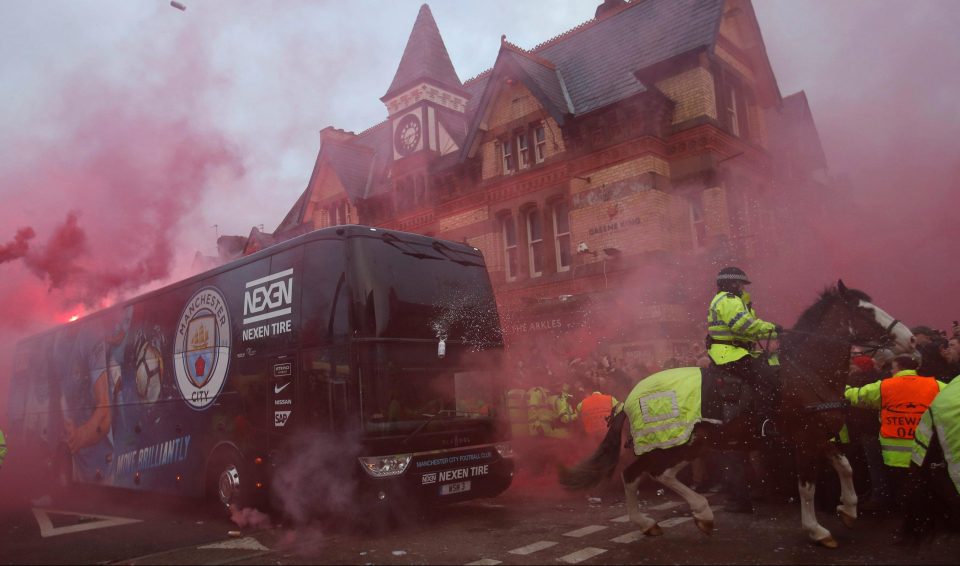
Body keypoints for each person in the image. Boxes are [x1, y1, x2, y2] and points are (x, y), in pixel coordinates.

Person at [844, 354, 947, 511]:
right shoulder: (935, 385)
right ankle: (922, 511)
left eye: (892, 368)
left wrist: (840, 386)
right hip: (924, 450)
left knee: (899, 485)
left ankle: (901, 510)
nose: (891, 371)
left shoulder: (886, 386)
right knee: (922, 484)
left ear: (898, 367)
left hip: (894, 454)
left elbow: (856, 395)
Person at [706, 266, 781, 436]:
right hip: (729, 353)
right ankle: (764, 423)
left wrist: (774, 331)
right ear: (731, 284)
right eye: (740, 284)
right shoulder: (728, 300)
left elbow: (749, 325)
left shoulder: (730, 300)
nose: (743, 288)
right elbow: (745, 326)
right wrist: (773, 329)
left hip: (734, 351)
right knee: (766, 377)